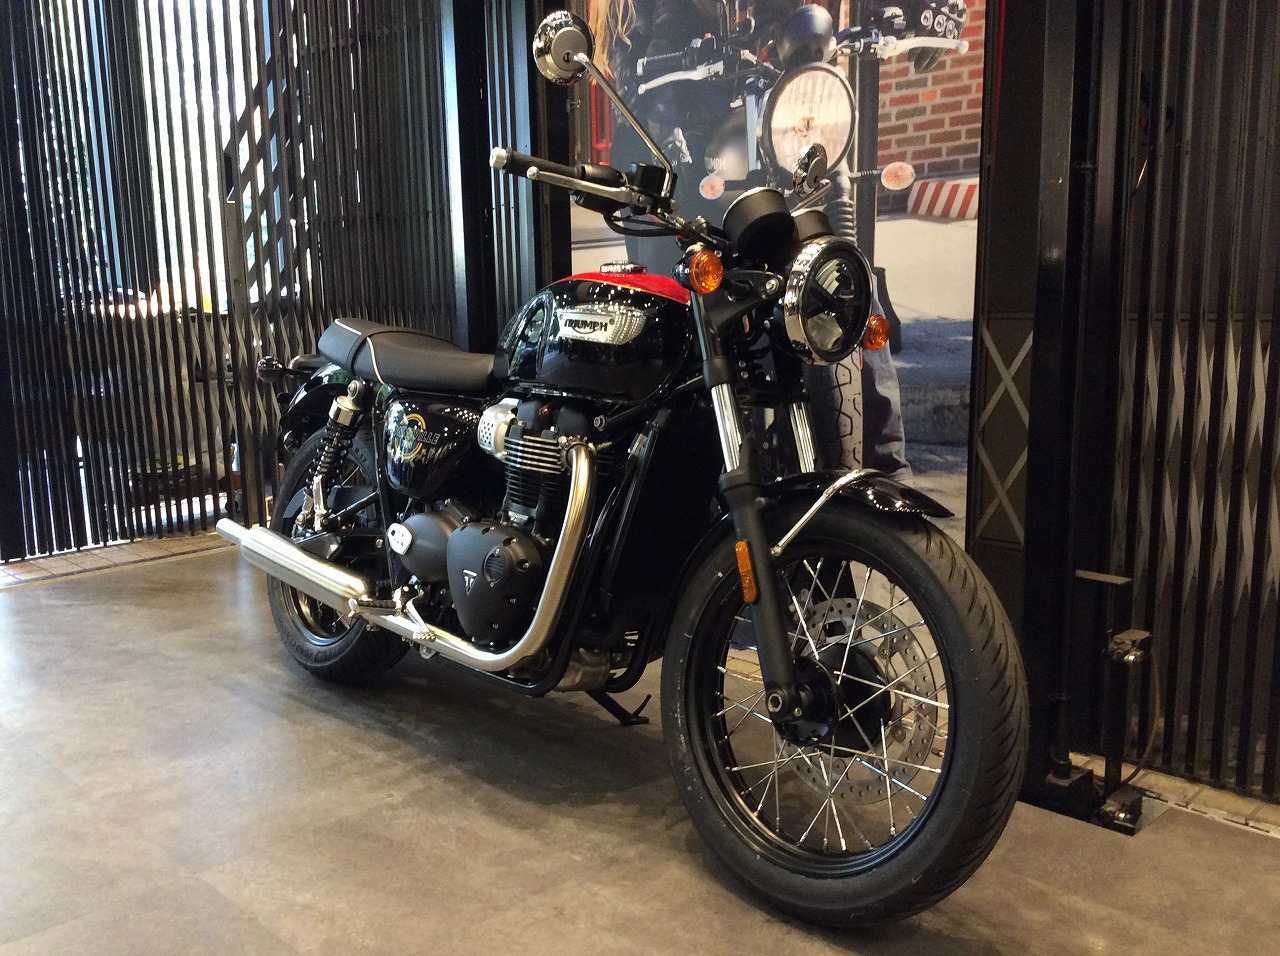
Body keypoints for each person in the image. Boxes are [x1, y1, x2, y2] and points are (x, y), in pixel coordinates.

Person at [587, 0, 911, 476]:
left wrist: (794, 40)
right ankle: (693, 481)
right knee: (680, 319)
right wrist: (671, 92)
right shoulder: (640, 14)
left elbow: (786, 17)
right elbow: (638, 57)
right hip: (670, 147)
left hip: (760, 134)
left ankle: (889, 476)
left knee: (847, 285)